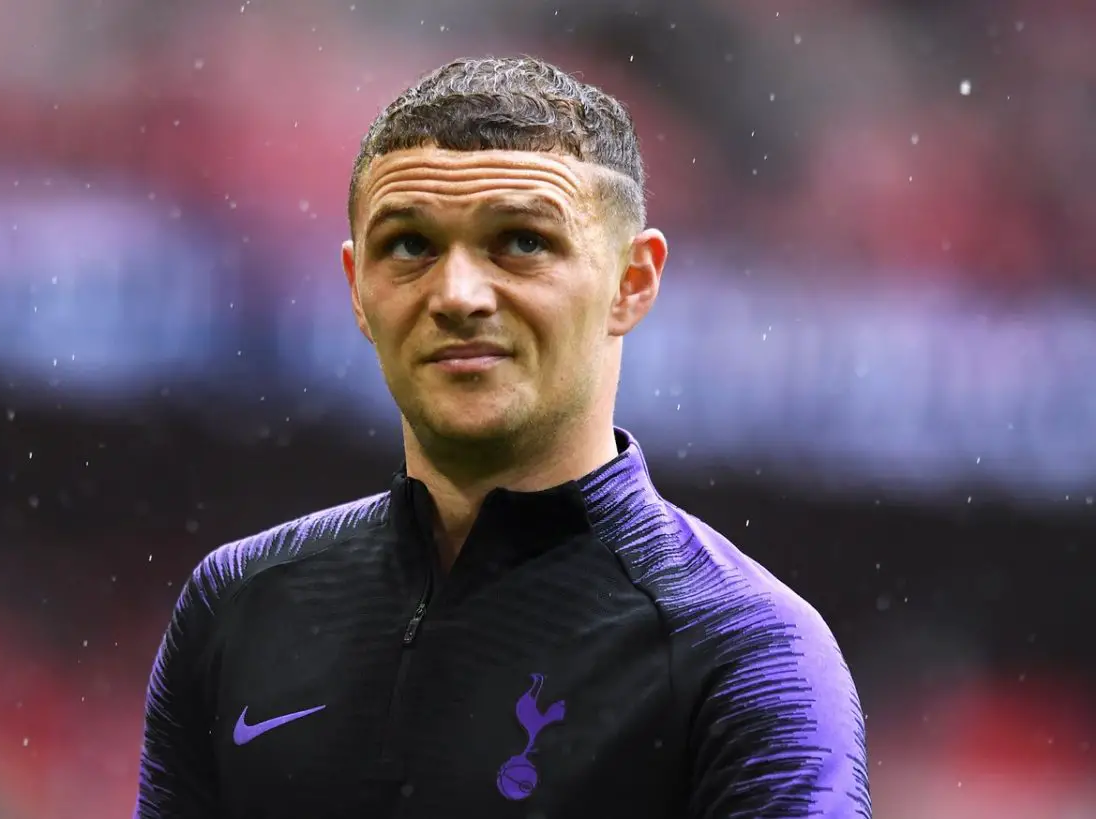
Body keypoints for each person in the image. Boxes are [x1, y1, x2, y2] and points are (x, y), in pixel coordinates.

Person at [134, 56, 871, 818]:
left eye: (520, 242)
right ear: (356, 287)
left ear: (632, 281)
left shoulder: (747, 651)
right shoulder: (238, 607)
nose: (457, 295)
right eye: (410, 245)